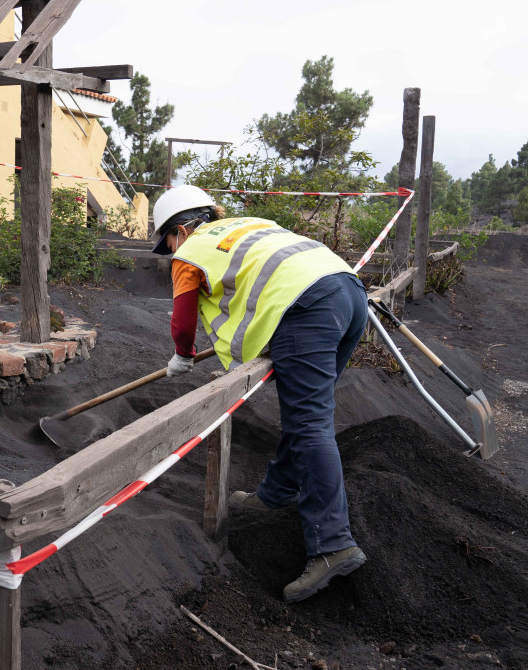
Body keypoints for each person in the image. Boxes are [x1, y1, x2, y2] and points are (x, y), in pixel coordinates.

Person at [153, 185, 369, 602]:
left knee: (309, 424)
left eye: (168, 243)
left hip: (305, 310)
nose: (171, 252)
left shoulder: (191, 251)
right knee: (307, 415)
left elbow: (182, 324)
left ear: (180, 229)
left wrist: (182, 356)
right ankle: (275, 494)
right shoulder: (249, 225)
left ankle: (333, 545)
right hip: (348, 293)